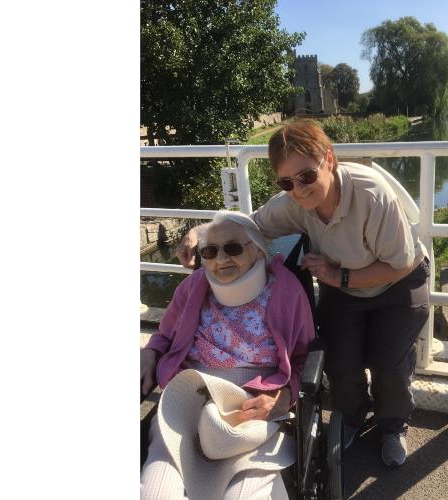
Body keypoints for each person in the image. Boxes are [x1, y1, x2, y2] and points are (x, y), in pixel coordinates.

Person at [176, 120, 430, 467]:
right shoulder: (294, 203)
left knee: (390, 366)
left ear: (329, 159)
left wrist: (338, 276)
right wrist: (200, 233)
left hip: (398, 282)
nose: (298, 189)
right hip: (344, 288)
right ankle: (352, 419)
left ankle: (392, 426)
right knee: (339, 364)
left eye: (306, 176)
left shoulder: (371, 194)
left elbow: (400, 263)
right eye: (286, 182)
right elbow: (246, 225)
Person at [140, 211, 315, 500]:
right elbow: (164, 336)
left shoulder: (286, 292)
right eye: (210, 251)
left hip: (251, 406)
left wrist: (285, 395)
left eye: (233, 248)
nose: (221, 260)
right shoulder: (191, 287)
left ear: (258, 250)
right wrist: (151, 353)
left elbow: (304, 359)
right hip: (187, 398)